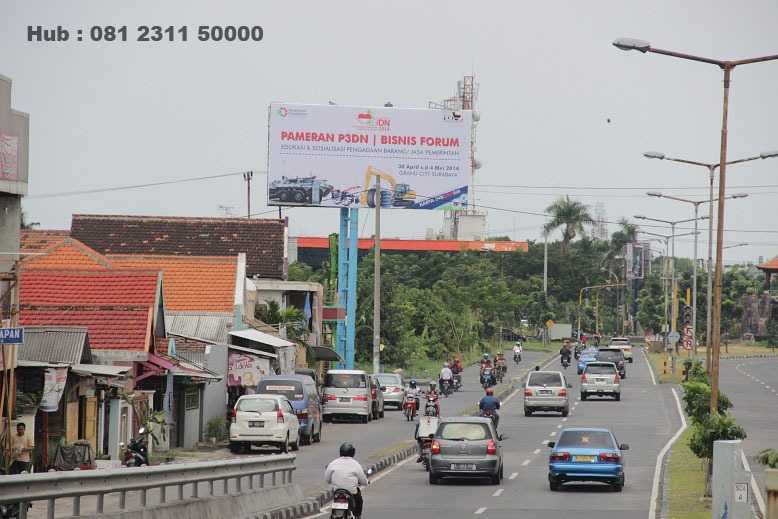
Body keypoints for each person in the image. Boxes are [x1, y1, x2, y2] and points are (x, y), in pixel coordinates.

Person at [325, 443, 369, 519]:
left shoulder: (333, 463)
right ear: (352, 452)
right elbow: (363, 480)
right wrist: (366, 482)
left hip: (337, 492)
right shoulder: (355, 464)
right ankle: (358, 516)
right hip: (351, 492)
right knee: (359, 501)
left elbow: (327, 479)